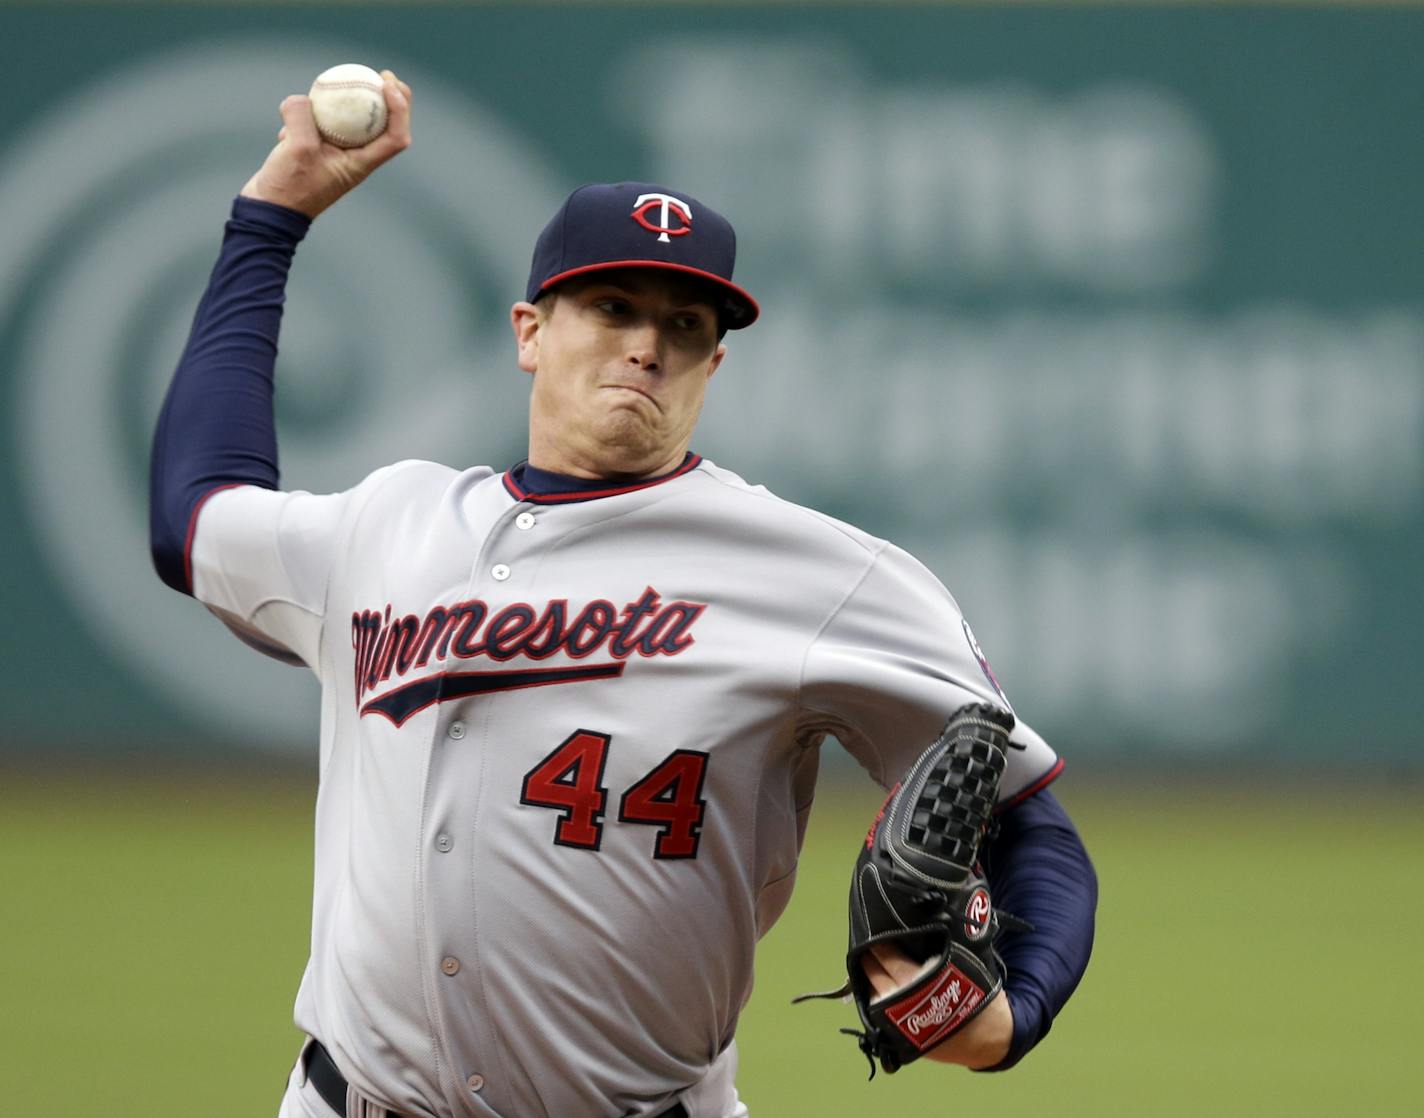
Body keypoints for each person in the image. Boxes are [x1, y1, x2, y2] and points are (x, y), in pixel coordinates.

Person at [150, 72, 1096, 1118]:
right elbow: (195, 514)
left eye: (684, 323)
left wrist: (1016, 1014)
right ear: (528, 331)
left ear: (711, 363)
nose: (647, 342)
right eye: (610, 306)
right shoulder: (388, 523)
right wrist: (270, 221)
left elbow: (1026, 816)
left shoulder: (818, 574)